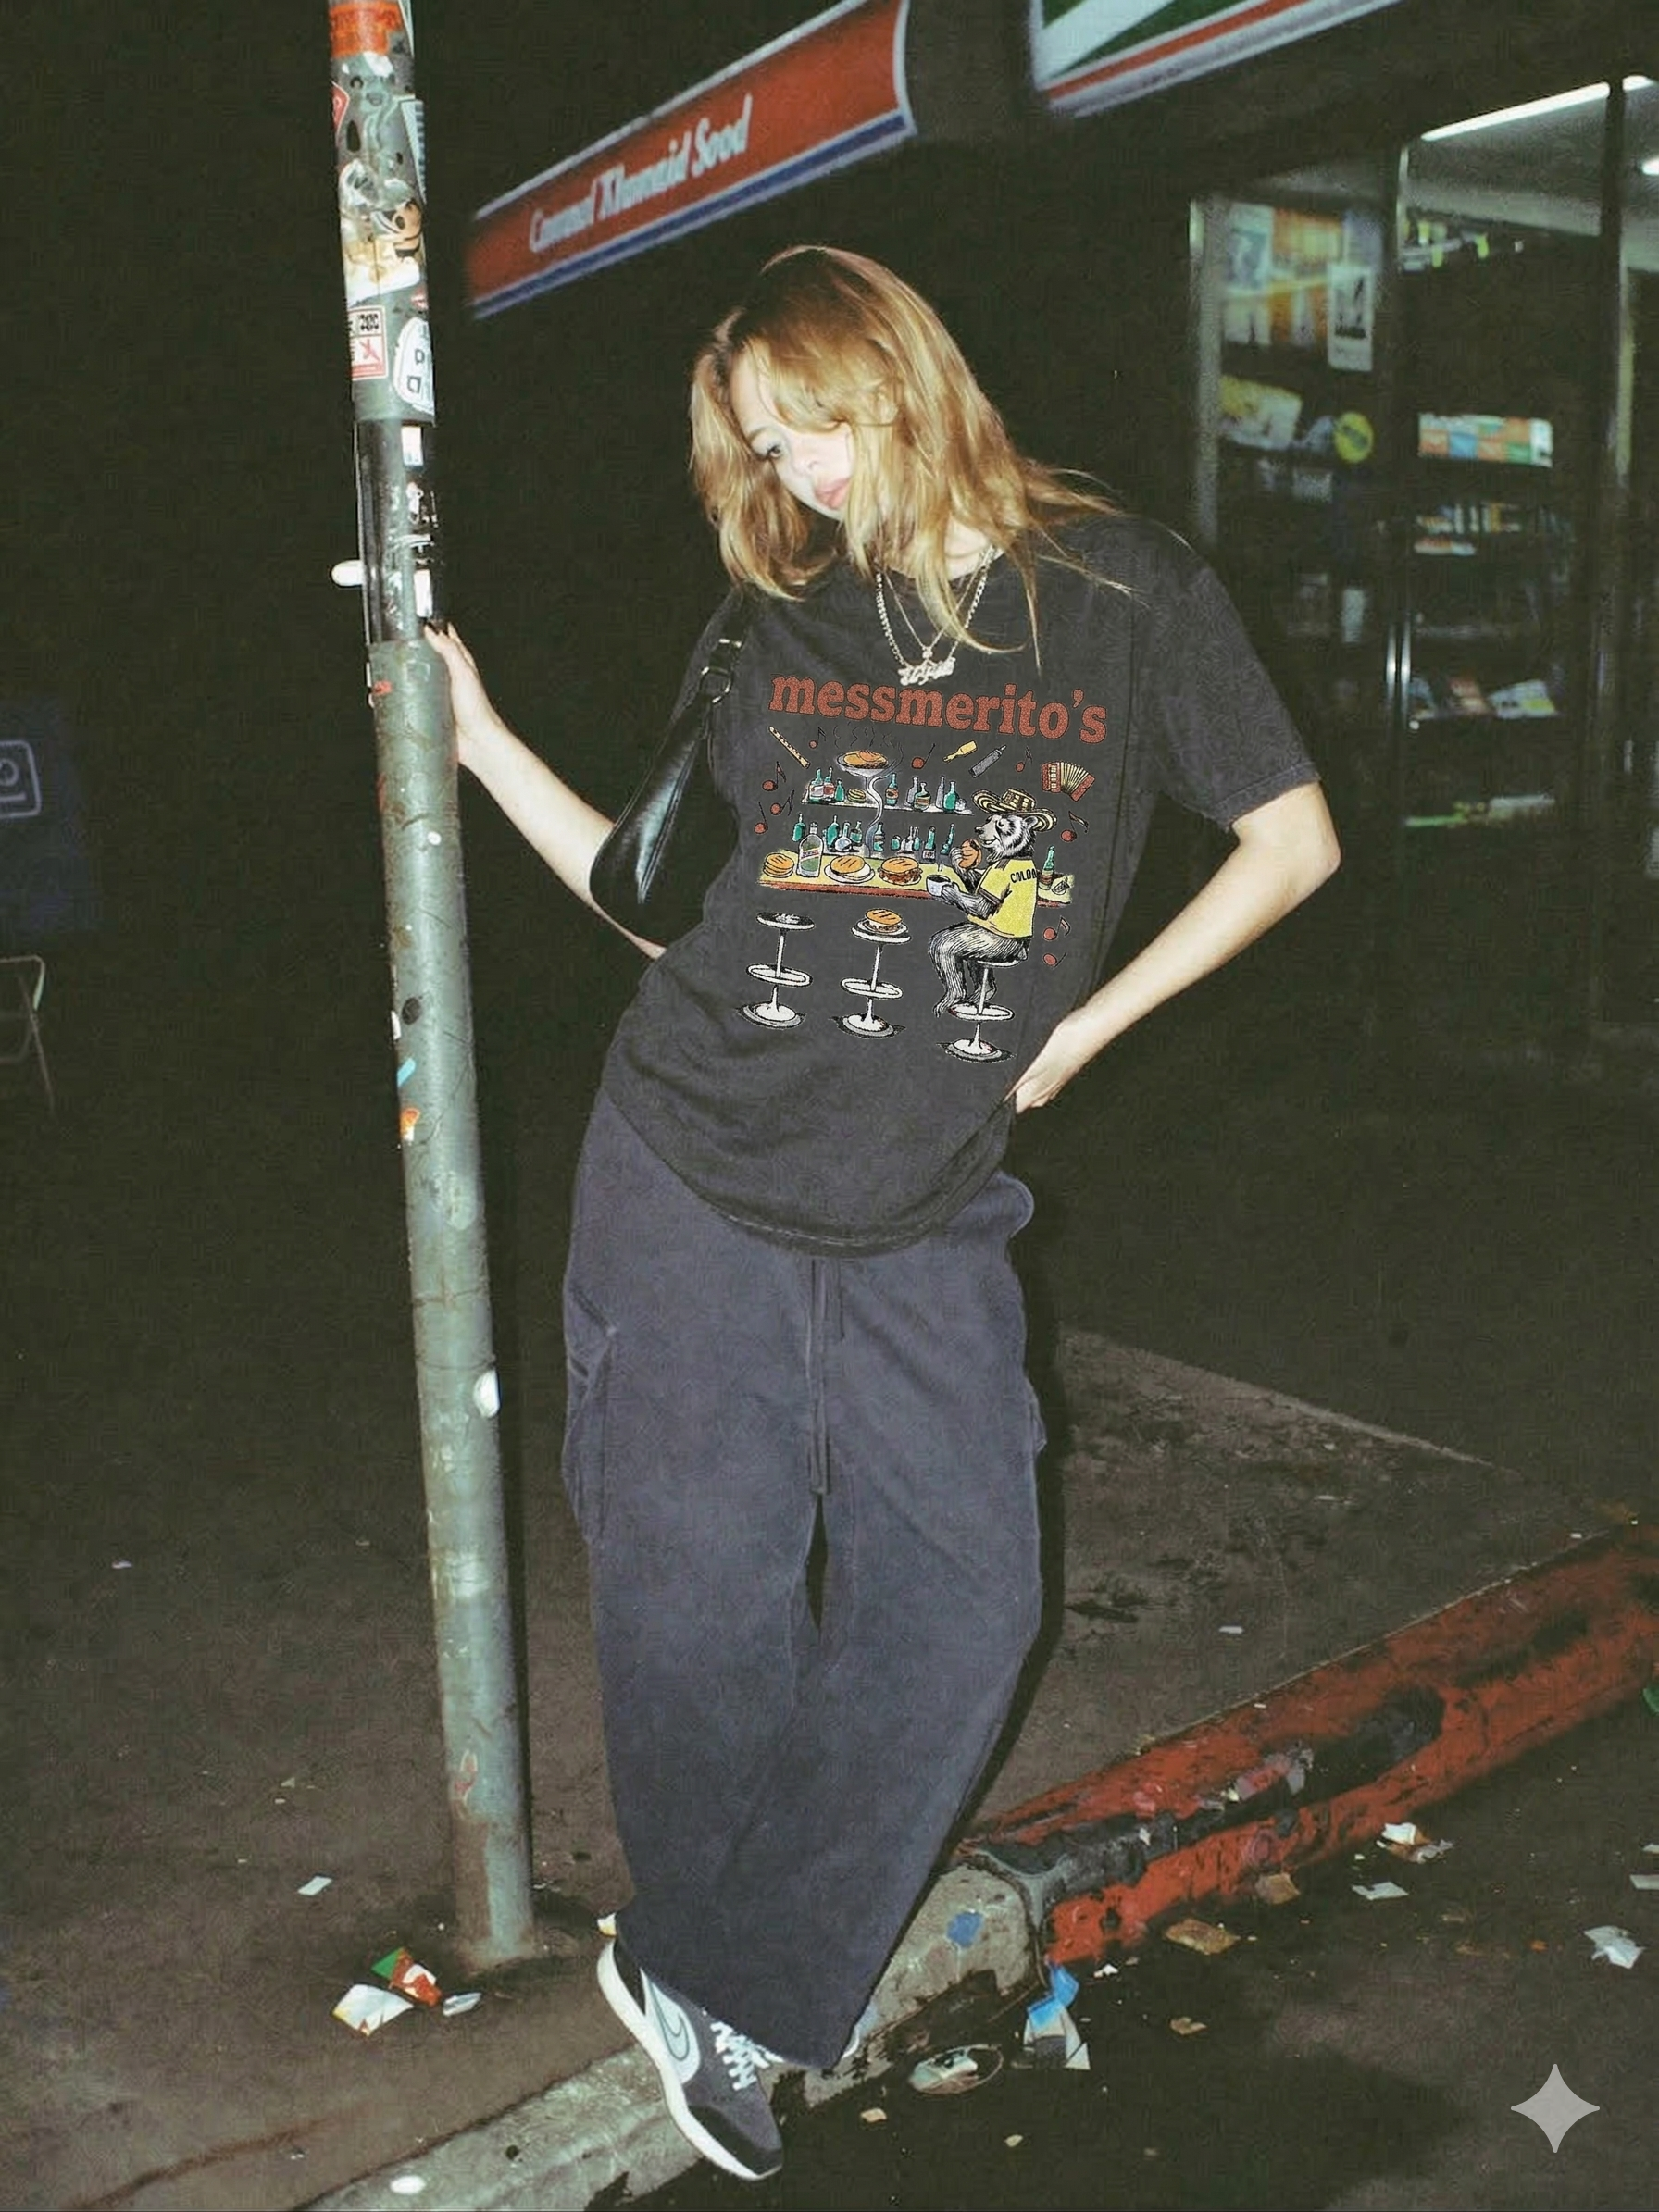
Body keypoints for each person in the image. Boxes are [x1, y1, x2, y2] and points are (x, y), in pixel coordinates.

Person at [425, 243, 1340, 2183]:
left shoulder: (1122, 594)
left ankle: (715, 1960)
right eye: (770, 448)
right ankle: (727, 1985)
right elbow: (654, 904)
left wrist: (1088, 1023)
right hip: (694, 1167)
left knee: (966, 1595)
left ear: (906, 379)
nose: (805, 475)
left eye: (818, 425)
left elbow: (1290, 840)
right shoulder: (777, 627)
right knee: (702, 1601)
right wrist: (480, 740)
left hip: (928, 1200)